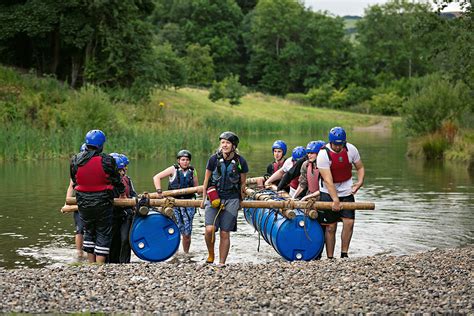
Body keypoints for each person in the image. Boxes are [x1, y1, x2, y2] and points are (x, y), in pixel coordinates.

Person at [70, 130, 125, 264]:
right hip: (103, 202)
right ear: (101, 144)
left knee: (88, 230)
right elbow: (116, 180)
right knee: (103, 232)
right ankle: (99, 266)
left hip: (83, 203)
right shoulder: (107, 160)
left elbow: (75, 181)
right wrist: (121, 191)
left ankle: (90, 264)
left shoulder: (75, 160)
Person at [200, 131, 249, 265]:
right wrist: (203, 199)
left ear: (233, 145)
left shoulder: (241, 161)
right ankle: (211, 254)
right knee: (209, 229)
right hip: (213, 196)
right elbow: (206, 181)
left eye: (227, 143)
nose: (224, 145)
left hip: (232, 198)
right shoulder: (213, 159)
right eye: (222, 142)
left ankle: (222, 263)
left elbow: (243, 184)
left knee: (224, 232)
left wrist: (241, 200)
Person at [317, 127, 365, 259]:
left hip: (346, 190)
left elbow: (360, 167)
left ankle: (344, 254)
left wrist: (359, 182)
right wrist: (335, 200)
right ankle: (330, 257)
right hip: (327, 192)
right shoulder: (323, 154)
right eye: (336, 144)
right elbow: (328, 180)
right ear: (330, 142)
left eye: (341, 144)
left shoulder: (351, 150)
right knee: (331, 227)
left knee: (349, 222)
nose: (338, 147)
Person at [153, 149, 199, 254]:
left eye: (187, 160)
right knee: (175, 229)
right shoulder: (173, 169)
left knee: (187, 232)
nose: (185, 162)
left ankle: (186, 254)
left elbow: (197, 188)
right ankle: (174, 252)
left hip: (189, 204)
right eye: (183, 159)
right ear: (178, 160)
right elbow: (156, 177)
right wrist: (159, 191)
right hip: (174, 203)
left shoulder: (193, 171)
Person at [109, 153, 137, 263]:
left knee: (125, 239)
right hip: (112, 215)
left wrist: (133, 202)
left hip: (126, 214)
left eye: (123, 169)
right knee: (113, 240)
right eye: (119, 170)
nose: (122, 172)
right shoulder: (107, 182)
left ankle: (125, 263)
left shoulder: (127, 180)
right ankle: (112, 263)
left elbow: (133, 194)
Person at [63, 143, 87, 258]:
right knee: (80, 228)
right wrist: (67, 202)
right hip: (79, 202)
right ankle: (79, 252)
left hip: (92, 200)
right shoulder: (76, 167)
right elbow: (71, 186)